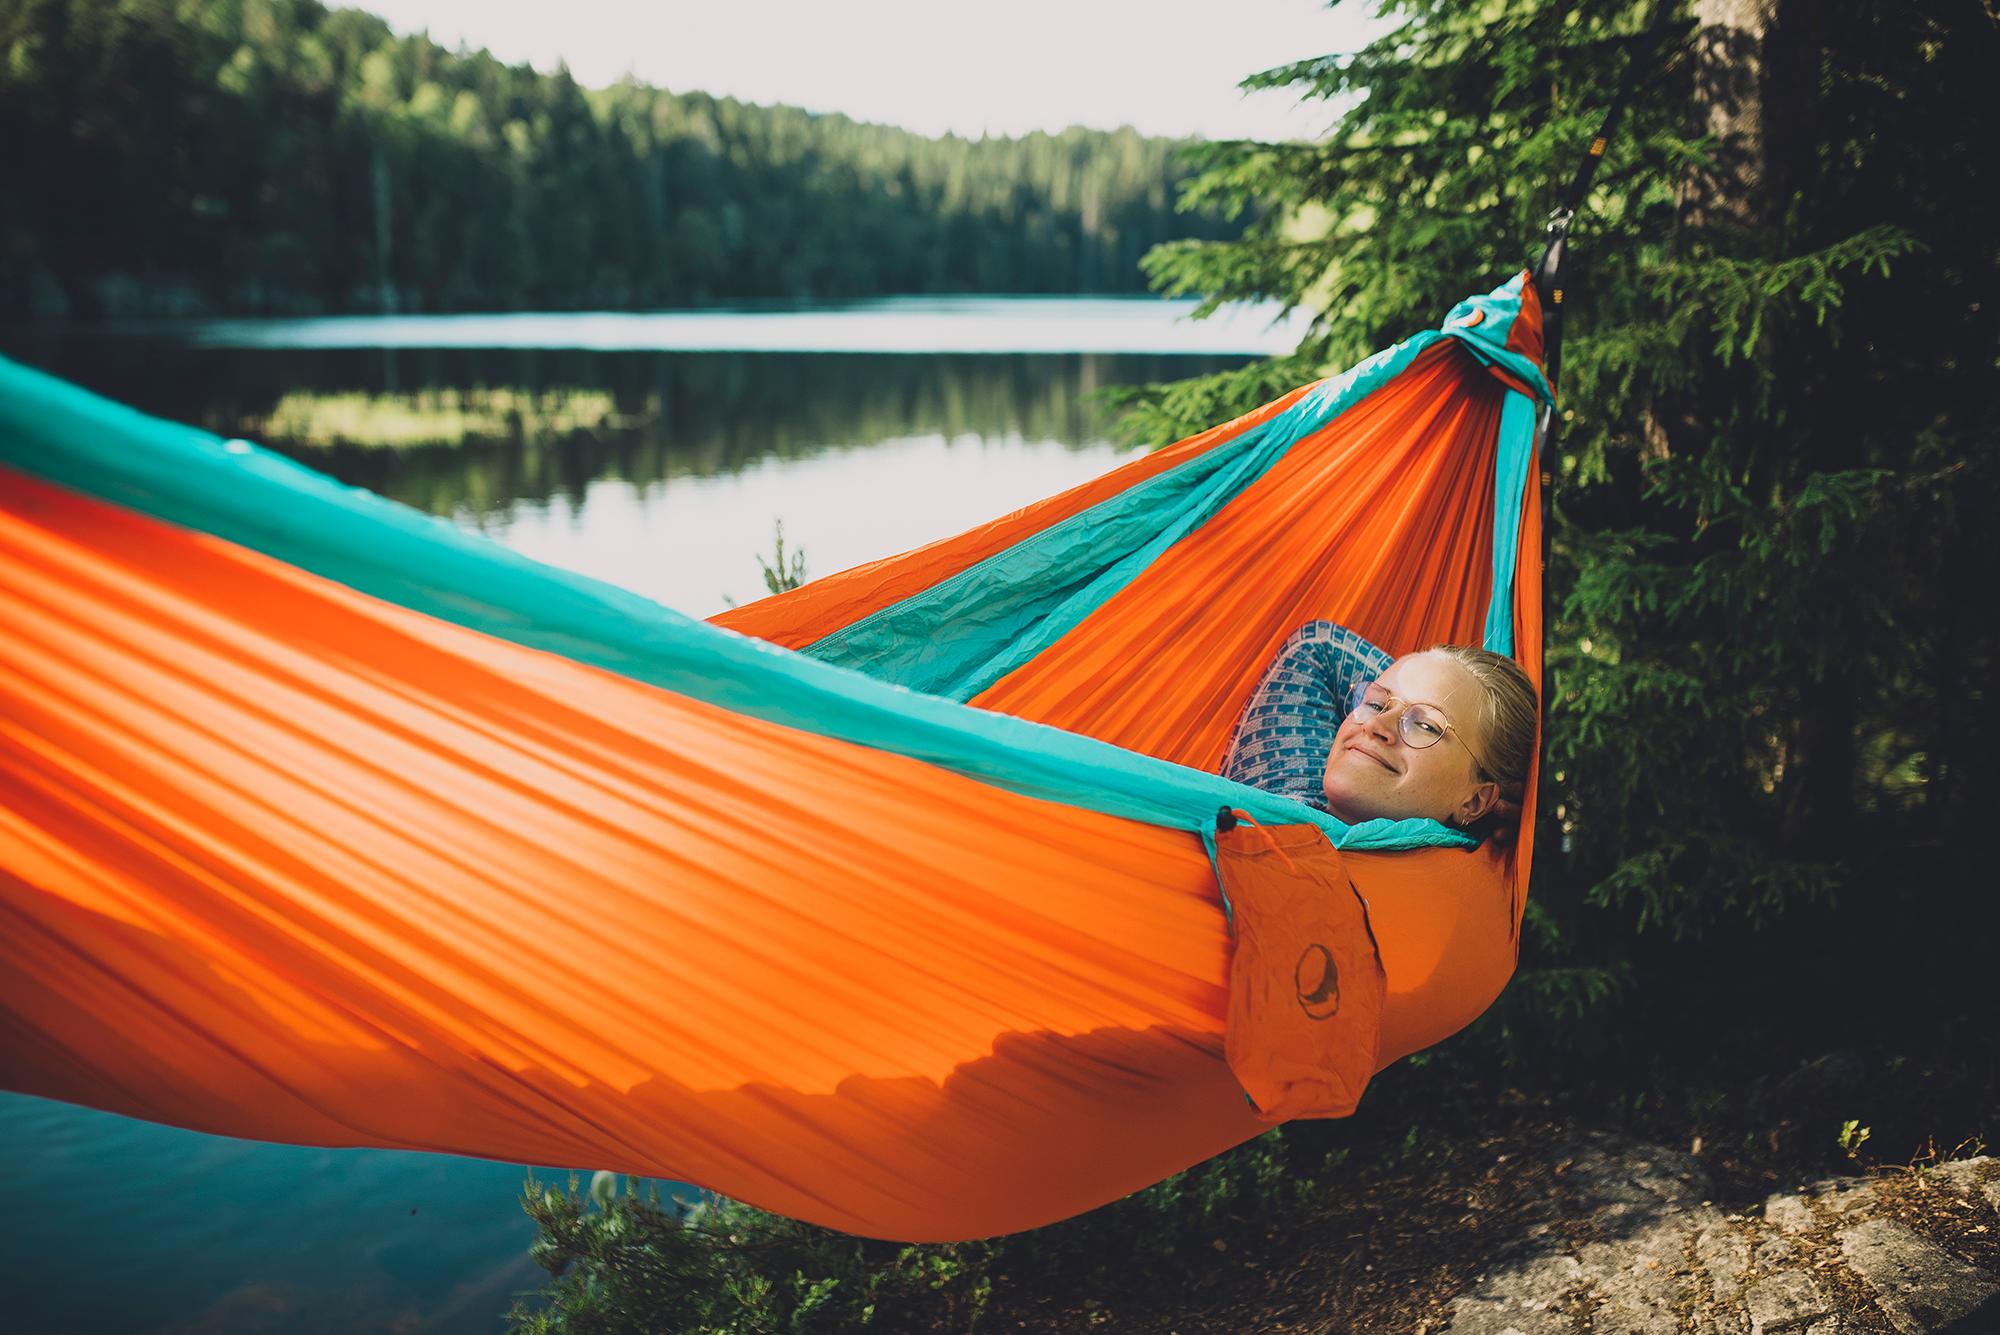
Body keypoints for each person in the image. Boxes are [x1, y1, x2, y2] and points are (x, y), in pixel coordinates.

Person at [1220, 621, 1537, 838]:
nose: (1374, 725)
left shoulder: (1455, 900)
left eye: (1426, 725)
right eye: (1374, 703)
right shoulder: (1278, 802)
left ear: (1476, 801)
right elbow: (1316, 646)